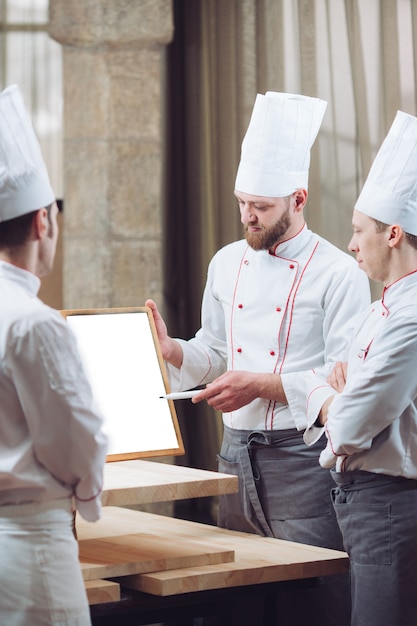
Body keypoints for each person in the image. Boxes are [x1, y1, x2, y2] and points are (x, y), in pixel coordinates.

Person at [146, 91, 370, 625]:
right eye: (241, 202)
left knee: (312, 600)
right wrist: (172, 349)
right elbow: (217, 352)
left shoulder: (340, 274)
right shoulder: (226, 263)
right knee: (236, 601)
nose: (248, 216)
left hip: (302, 462)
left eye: (262, 206)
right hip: (235, 455)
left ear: (299, 197)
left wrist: (260, 385)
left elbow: (345, 384)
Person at [0, 84, 108, 625]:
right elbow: (76, 439)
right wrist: (88, 499)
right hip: (29, 546)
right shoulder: (34, 323)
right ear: (44, 221)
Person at [305, 110, 417, 626]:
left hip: (390, 506)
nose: (350, 243)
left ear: (392, 234)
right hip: (364, 502)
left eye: (358, 230)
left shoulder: (411, 317)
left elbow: (349, 423)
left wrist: (333, 402)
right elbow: (332, 378)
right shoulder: (381, 307)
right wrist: (338, 395)